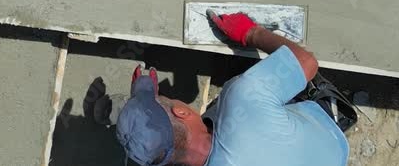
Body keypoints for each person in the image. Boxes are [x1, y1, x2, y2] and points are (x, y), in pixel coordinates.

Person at [114, 12, 350, 165]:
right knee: (245, 85)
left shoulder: (165, 153)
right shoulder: (241, 97)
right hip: (330, 141)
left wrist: (152, 117)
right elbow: (307, 63)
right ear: (182, 113)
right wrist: (252, 33)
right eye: (171, 100)